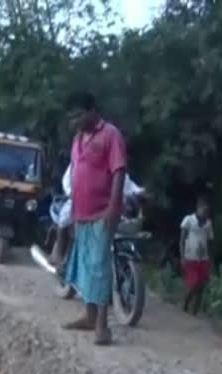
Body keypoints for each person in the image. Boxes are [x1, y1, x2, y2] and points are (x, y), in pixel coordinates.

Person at [63, 91, 127, 346]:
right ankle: (89, 317)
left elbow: (119, 172)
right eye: (72, 117)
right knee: (86, 266)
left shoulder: (111, 135)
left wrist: (113, 208)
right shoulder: (78, 139)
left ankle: (102, 325)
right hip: (81, 212)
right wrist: (72, 212)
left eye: (79, 114)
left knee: (99, 266)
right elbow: (77, 175)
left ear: (92, 111)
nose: (75, 120)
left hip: (102, 212)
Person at [50, 163, 145, 266]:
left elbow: (129, 186)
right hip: (81, 201)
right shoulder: (81, 160)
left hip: (106, 208)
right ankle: (60, 255)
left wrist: (141, 193)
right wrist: (72, 193)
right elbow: (67, 180)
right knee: (65, 220)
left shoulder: (114, 166)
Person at [180, 197, 214, 315]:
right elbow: (182, 239)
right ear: (198, 208)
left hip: (203, 258)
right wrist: (182, 257)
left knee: (201, 285)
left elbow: (209, 242)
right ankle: (185, 304)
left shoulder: (208, 223)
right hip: (190, 256)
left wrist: (209, 258)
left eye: (207, 211)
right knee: (193, 283)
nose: (205, 212)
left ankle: (194, 312)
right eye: (203, 210)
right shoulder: (188, 220)